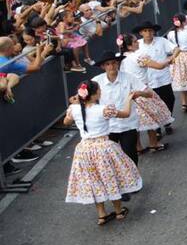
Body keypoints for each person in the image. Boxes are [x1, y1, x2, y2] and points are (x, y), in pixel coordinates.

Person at [63, 80, 142, 226]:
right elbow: (125, 114)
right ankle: (118, 211)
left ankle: (101, 214)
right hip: (103, 148)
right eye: (99, 90)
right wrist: (129, 99)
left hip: (84, 149)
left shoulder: (74, 109)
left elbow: (66, 122)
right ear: (94, 94)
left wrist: (75, 103)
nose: (101, 91)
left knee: (94, 180)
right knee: (110, 177)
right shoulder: (103, 109)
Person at [91, 50, 152, 169]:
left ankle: (134, 180)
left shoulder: (129, 77)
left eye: (114, 63)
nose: (111, 66)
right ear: (103, 66)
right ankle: (116, 182)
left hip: (128, 124)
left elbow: (149, 93)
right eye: (107, 64)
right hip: (107, 126)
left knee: (130, 154)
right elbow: (85, 97)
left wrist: (139, 93)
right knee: (109, 158)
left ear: (118, 64)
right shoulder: (96, 81)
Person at [134, 22, 178, 135]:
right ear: (141, 33)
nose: (148, 33)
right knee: (153, 105)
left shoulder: (161, 41)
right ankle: (157, 127)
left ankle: (167, 121)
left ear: (153, 31)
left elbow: (176, 49)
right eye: (145, 31)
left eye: (150, 30)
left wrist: (172, 56)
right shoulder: (137, 44)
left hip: (163, 77)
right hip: (148, 80)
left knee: (169, 99)